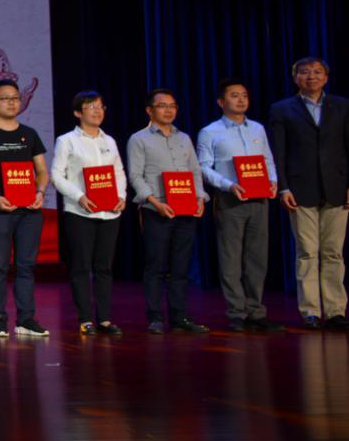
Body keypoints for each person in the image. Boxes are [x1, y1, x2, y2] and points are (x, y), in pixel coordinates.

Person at [268, 57, 349, 330]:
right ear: (296, 78)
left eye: (317, 72)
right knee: (307, 253)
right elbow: (278, 152)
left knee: (333, 252)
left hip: (337, 188)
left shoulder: (342, 106)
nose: (311, 76)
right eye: (304, 72)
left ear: (326, 77)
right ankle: (311, 311)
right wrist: (283, 187)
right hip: (300, 189)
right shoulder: (282, 109)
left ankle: (336, 311)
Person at [197, 78, 283, 333]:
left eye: (244, 95)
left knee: (257, 258)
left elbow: (267, 160)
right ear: (221, 101)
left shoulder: (257, 128)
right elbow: (203, 168)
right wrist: (228, 185)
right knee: (231, 258)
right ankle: (237, 313)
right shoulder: (210, 131)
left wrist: (273, 181)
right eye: (234, 95)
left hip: (260, 199)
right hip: (231, 199)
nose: (241, 99)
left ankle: (256, 312)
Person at [0, 79, 51, 337]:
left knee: (26, 266)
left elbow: (42, 170)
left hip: (29, 211)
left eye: (15, 98)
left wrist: (40, 192)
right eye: (5, 98)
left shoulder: (30, 133)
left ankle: (26, 319)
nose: (11, 102)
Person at [127, 88, 210, 333]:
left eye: (172, 106)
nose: (168, 110)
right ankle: (155, 317)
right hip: (157, 210)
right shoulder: (139, 139)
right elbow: (135, 176)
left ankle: (179, 317)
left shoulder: (183, 138)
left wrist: (200, 198)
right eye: (162, 106)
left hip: (186, 209)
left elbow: (195, 171)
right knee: (156, 266)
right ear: (149, 110)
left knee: (181, 267)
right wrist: (154, 202)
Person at [50, 91, 126, 335]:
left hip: (109, 213)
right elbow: (56, 176)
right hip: (79, 212)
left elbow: (118, 172)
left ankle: (104, 319)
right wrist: (79, 196)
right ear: (77, 112)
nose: (98, 111)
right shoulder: (67, 140)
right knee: (81, 267)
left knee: (104, 268)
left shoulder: (109, 140)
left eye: (101, 106)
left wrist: (121, 197)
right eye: (91, 106)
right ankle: (85, 319)